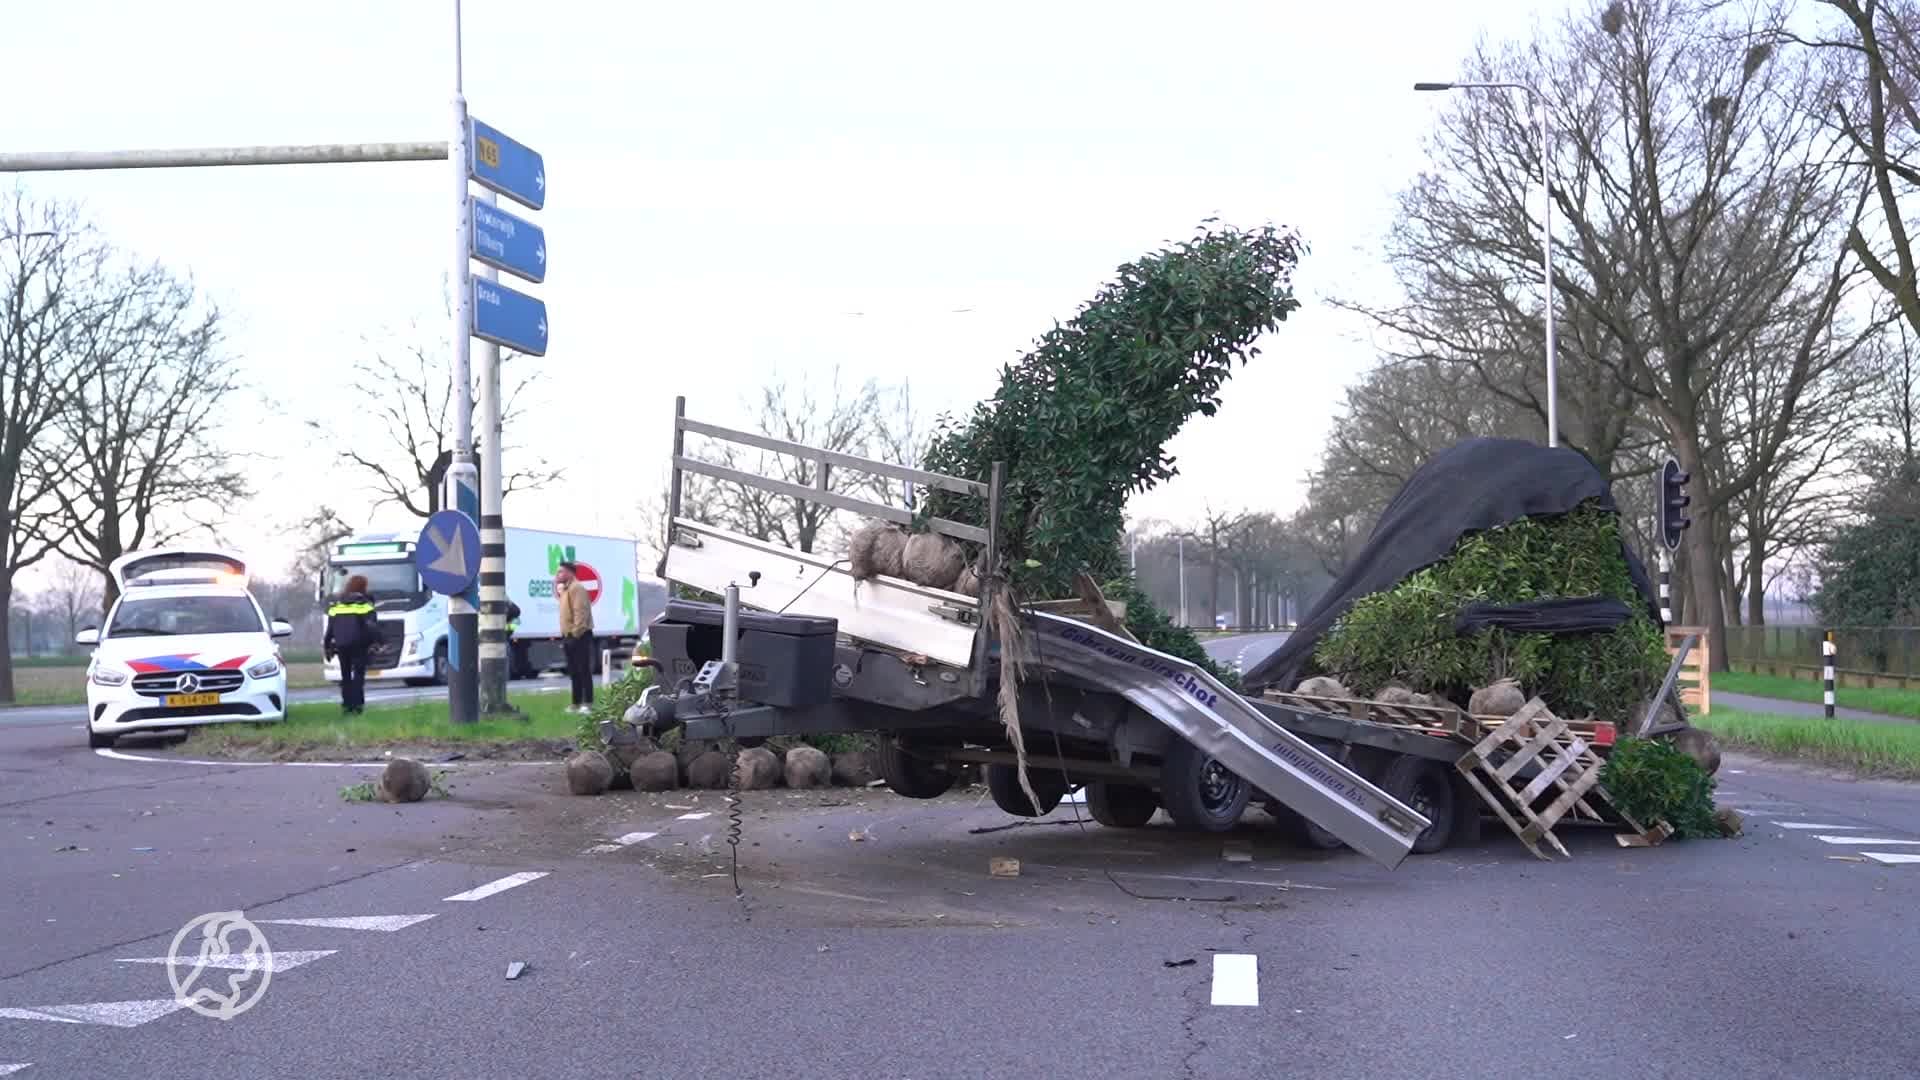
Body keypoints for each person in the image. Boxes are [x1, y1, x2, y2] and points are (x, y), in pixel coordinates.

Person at [324, 574, 380, 715]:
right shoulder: (365, 605)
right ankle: (357, 706)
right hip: (359, 645)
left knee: (346, 675)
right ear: (363, 587)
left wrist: (326, 646)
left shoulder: (337, 606)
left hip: (341, 645)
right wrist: (379, 641)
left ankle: (347, 705)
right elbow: (372, 627)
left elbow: (330, 630)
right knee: (359, 675)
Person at [556, 561, 595, 713]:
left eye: (561, 572)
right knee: (573, 671)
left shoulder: (577, 588)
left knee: (583, 669)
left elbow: (581, 613)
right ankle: (576, 703)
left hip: (580, 635)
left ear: (570, 573)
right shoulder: (565, 590)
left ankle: (588, 703)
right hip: (568, 635)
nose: (558, 575)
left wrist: (575, 634)